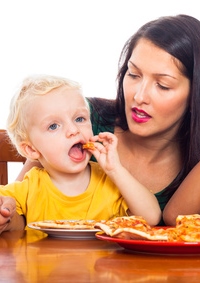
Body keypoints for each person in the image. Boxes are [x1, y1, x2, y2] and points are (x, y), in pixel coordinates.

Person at [14, 14, 200, 226]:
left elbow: (178, 218)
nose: (139, 96)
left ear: (197, 94)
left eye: (163, 85)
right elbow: (19, 208)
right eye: (134, 75)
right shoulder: (80, 120)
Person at [0, 74, 161, 234]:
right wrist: (6, 218)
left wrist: (115, 170)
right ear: (31, 150)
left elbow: (152, 217)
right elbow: (13, 223)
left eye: (79, 119)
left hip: (102, 260)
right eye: (54, 126)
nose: (73, 130)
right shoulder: (29, 187)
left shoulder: (110, 182)